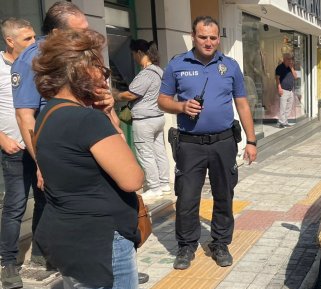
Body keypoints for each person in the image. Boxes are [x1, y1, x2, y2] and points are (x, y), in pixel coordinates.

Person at [33, 28, 143, 289]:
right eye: (100, 67)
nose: (104, 75)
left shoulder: (48, 113)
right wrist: (108, 114)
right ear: (81, 70)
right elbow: (132, 178)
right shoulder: (87, 121)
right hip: (101, 243)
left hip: (67, 237)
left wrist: (104, 110)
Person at [158, 16, 257, 270]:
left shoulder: (230, 66)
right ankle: (186, 246)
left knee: (224, 194)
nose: (209, 42)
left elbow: (242, 104)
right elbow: (162, 100)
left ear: (218, 39)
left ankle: (220, 243)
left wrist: (252, 140)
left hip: (224, 142)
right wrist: (181, 106)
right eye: (203, 37)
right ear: (194, 36)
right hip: (189, 144)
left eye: (213, 37)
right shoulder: (177, 65)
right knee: (187, 197)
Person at [10, 1, 90, 273]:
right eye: (79, 32)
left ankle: (98, 260)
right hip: (53, 149)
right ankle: (20, 260)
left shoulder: (73, 53)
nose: (85, 37)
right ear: (57, 33)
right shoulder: (33, 60)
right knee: (59, 206)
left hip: (81, 144)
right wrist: (42, 162)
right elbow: (25, 117)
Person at [0, 18, 36, 289]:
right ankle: (8, 262)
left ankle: (45, 254)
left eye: (35, 37)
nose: (34, 43)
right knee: (15, 206)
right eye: (27, 39)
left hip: (40, 146)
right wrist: (2, 139)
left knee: (48, 200)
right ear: (10, 41)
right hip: (13, 148)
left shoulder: (37, 64)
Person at [115, 39, 170, 200]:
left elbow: (131, 94)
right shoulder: (159, 71)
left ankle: (154, 187)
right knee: (159, 151)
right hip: (158, 117)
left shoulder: (146, 73)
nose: (133, 58)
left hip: (145, 120)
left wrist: (116, 95)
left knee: (145, 153)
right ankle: (164, 183)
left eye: (133, 54)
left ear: (139, 53)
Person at [275, 52, 296, 128]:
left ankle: (285, 121)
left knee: (289, 107)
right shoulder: (280, 67)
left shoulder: (290, 68)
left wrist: (291, 68)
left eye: (291, 59)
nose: (290, 61)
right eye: (288, 59)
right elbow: (277, 79)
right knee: (283, 107)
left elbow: (295, 76)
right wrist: (279, 88)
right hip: (283, 90)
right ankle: (281, 122)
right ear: (284, 59)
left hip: (290, 90)